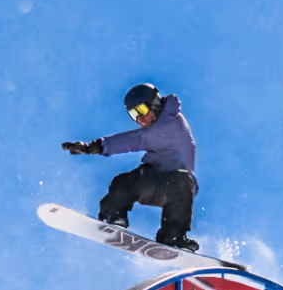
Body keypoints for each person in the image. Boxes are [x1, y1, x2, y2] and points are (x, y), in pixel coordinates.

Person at [63, 83, 200, 250]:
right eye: (133, 114)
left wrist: (94, 147)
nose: (139, 119)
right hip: (156, 181)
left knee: (181, 180)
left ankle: (173, 235)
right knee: (123, 182)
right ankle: (114, 217)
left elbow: (135, 140)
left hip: (178, 190)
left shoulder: (170, 123)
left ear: (155, 105)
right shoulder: (159, 124)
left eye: (141, 110)